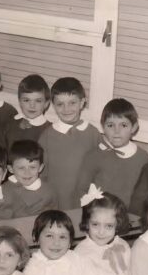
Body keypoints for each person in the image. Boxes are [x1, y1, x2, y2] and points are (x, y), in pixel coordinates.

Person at [38, 77, 101, 210]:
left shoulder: (93, 133)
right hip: (55, 200)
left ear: (82, 102)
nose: (66, 109)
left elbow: (100, 169)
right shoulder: (47, 136)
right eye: (60, 104)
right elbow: (41, 173)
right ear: (53, 105)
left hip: (84, 200)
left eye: (72, 103)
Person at [77, 98, 148, 210]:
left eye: (123, 125)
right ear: (103, 127)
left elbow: (144, 196)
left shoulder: (143, 157)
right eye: (110, 125)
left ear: (134, 127)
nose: (116, 131)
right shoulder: (93, 156)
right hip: (99, 214)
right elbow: (81, 190)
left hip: (129, 216)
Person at [74, 185, 132, 275]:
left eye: (109, 226)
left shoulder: (123, 245)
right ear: (87, 223)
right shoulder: (81, 253)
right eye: (95, 224)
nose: (101, 232)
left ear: (117, 225)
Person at [6, 140, 57, 216]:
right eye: (21, 168)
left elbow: (54, 214)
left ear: (40, 168)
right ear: (11, 169)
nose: (27, 173)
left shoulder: (49, 190)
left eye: (32, 167)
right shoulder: (4, 192)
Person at [4, 74, 51, 150]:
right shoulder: (9, 123)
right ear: (19, 101)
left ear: (46, 104)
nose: (32, 106)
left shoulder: (50, 131)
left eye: (38, 101)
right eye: (26, 100)